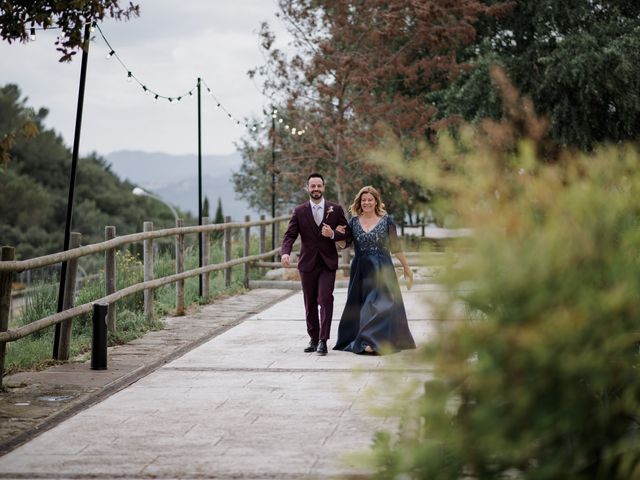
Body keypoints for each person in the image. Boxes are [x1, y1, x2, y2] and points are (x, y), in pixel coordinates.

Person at [333, 186, 416, 355]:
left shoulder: (386, 220)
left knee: (382, 305)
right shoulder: (354, 222)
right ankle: (366, 342)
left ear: (376, 201)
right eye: (363, 200)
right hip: (361, 269)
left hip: (382, 268)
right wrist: (337, 235)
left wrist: (407, 268)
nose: (366, 202)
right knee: (364, 307)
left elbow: (396, 247)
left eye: (370, 199)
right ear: (359, 202)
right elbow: (344, 245)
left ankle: (373, 341)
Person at [281, 173, 349, 356]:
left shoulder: (336, 209)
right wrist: (285, 252)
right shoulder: (299, 211)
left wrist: (333, 235)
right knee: (310, 303)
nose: (316, 189)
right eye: (313, 186)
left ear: (324, 187)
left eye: (319, 186)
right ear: (307, 188)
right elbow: (290, 235)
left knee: (325, 300)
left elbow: (348, 235)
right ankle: (313, 337)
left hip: (328, 263)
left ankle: (323, 340)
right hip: (307, 264)